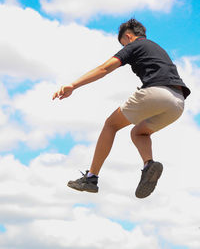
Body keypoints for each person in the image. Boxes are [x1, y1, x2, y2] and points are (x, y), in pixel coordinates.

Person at [52, 18, 191, 199]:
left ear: (128, 36)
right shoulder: (157, 48)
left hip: (157, 92)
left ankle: (91, 178)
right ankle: (149, 164)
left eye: (123, 43)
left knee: (111, 125)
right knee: (138, 132)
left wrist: (73, 85)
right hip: (177, 103)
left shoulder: (135, 45)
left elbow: (104, 69)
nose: (124, 46)